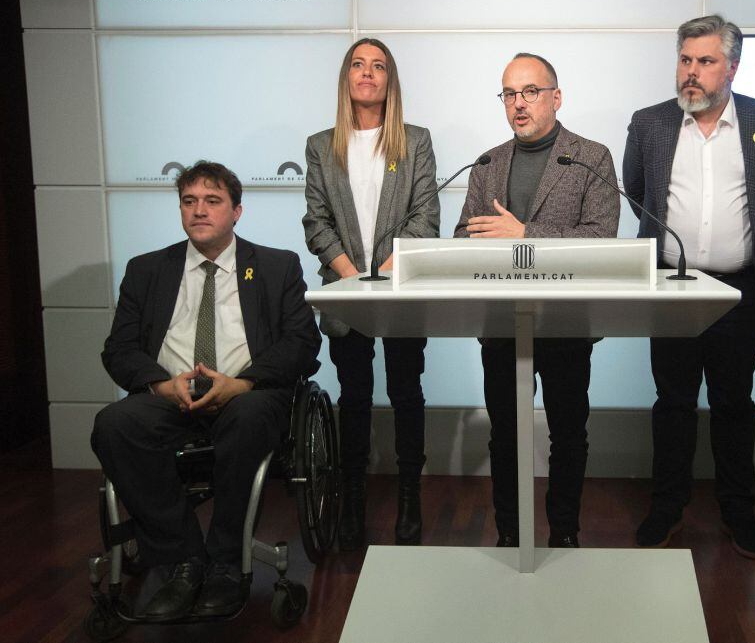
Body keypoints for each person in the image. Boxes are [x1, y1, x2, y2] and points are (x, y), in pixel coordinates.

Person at [92, 161, 321, 620]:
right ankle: (182, 560)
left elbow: (303, 342)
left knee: (251, 415)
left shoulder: (277, 266)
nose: (199, 210)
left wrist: (242, 382)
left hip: (245, 394)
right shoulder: (146, 270)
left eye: (212, 201)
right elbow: (118, 349)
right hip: (171, 396)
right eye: (189, 201)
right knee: (114, 424)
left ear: (237, 211)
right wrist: (160, 383)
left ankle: (223, 563)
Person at [622, 14, 755, 556]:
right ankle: (667, 507)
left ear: (733, 68)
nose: (691, 73)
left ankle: (738, 512)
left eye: (705, 61)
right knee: (671, 402)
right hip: (671, 288)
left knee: (733, 404)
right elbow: (637, 191)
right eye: (685, 60)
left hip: (738, 292)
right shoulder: (649, 124)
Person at [454, 52, 619, 548]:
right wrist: (486, 238)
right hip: (502, 323)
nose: (518, 104)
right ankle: (509, 533)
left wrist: (523, 233)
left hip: (567, 323)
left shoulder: (591, 156)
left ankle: (564, 533)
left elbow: (602, 239)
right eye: (509, 94)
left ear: (556, 97)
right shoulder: (487, 162)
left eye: (530, 92)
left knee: (568, 436)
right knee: (505, 436)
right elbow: (463, 236)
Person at [303, 38, 439, 549]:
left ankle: (409, 498)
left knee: (407, 394)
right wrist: (351, 278)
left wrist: (382, 274)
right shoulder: (320, 146)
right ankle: (352, 501)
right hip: (344, 293)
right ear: (346, 78)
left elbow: (424, 219)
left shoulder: (416, 141)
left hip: (401, 292)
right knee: (354, 397)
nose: (367, 73)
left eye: (378, 66)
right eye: (358, 65)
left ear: (390, 80)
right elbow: (316, 221)